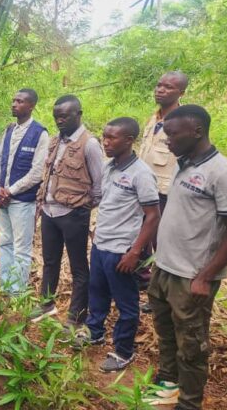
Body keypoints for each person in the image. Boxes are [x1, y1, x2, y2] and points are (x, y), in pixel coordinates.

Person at [143, 105, 227, 409]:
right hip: (164, 268)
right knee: (165, 333)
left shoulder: (224, 174)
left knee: (192, 345)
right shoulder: (183, 164)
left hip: (192, 277)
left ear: (197, 131)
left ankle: (189, 403)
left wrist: (204, 276)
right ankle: (168, 386)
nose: (167, 141)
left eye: (173, 134)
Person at [72, 117, 160, 373]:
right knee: (97, 292)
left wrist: (135, 252)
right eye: (104, 136)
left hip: (122, 250)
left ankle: (123, 351)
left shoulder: (141, 173)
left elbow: (153, 216)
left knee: (126, 303)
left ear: (129, 140)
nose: (105, 142)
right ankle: (94, 332)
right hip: (101, 245)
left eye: (112, 138)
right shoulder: (110, 167)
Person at [32, 95, 103, 326]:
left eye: (64, 116)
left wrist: (82, 208)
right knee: (50, 261)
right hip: (50, 212)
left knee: (78, 266)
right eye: (56, 117)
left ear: (78, 114)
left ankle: (77, 315)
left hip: (73, 214)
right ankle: (47, 303)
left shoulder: (90, 144)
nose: (59, 121)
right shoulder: (55, 141)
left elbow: (99, 185)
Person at [138, 71, 188, 312]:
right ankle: (144, 282)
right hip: (142, 190)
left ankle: (161, 296)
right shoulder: (154, 118)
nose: (161, 90)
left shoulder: (184, 122)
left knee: (162, 244)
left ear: (181, 92)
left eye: (168, 87)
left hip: (165, 193)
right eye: (159, 85)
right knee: (141, 240)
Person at [0, 89, 49, 294]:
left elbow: (37, 172)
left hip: (22, 202)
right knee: (4, 243)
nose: (14, 104)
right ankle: (5, 288)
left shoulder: (40, 133)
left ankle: (17, 294)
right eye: (13, 100)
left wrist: (10, 191)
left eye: (20, 101)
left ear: (31, 106)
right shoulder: (8, 130)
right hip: (1, 199)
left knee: (21, 250)